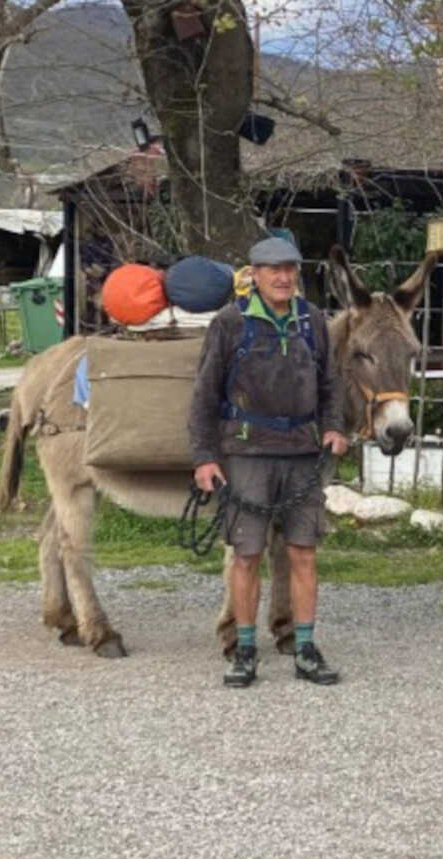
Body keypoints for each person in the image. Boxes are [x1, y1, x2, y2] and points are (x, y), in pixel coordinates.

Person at [188, 237, 349, 688]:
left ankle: (305, 647)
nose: (283, 277)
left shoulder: (311, 320)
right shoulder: (230, 323)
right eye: (273, 269)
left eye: (290, 269)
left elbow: (331, 384)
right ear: (254, 275)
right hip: (247, 452)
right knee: (247, 554)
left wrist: (334, 427)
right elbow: (203, 394)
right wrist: (203, 456)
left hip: (302, 451)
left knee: (303, 551)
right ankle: (243, 648)